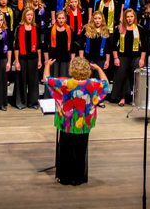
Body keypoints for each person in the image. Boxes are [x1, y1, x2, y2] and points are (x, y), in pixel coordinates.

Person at [44, 57, 109, 186]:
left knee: (66, 148)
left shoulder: (65, 83)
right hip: (84, 123)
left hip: (67, 123)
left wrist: (47, 65)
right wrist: (99, 68)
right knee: (81, 149)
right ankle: (78, 177)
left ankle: (65, 177)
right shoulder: (92, 84)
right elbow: (105, 83)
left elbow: (47, 79)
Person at [112, 9, 146, 106]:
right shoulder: (120, 28)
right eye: (127, 17)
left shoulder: (140, 29)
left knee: (134, 77)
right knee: (122, 76)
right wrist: (115, 58)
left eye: (131, 16)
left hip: (136, 56)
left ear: (134, 17)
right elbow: (114, 45)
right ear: (125, 18)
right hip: (122, 56)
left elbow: (144, 46)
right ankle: (122, 98)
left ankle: (134, 98)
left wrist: (142, 59)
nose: (129, 19)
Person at [80, 11, 113, 108]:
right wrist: (81, 59)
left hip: (101, 58)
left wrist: (107, 60)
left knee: (99, 81)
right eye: (95, 18)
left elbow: (108, 48)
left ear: (102, 19)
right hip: (88, 58)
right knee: (88, 80)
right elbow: (81, 45)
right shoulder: (86, 29)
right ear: (92, 19)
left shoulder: (105, 30)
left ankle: (99, 100)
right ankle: (87, 99)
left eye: (99, 18)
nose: (97, 21)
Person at [43, 11, 77, 100]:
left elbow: (72, 45)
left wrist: (72, 59)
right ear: (56, 19)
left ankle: (64, 99)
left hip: (65, 58)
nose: (61, 20)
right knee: (53, 80)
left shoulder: (69, 29)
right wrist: (46, 59)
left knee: (64, 80)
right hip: (53, 59)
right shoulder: (50, 29)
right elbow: (45, 45)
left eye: (63, 18)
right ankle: (51, 98)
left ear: (65, 19)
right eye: (59, 18)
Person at [13, 8, 42, 110]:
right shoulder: (19, 28)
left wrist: (39, 60)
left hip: (33, 58)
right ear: (24, 16)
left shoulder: (36, 28)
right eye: (28, 15)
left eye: (31, 15)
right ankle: (21, 102)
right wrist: (16, 61)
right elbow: (16, 47)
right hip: (22, 58)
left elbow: (38, 46)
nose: (29, 17)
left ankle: (33, 102)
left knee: (33, 81)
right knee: (21, 80)